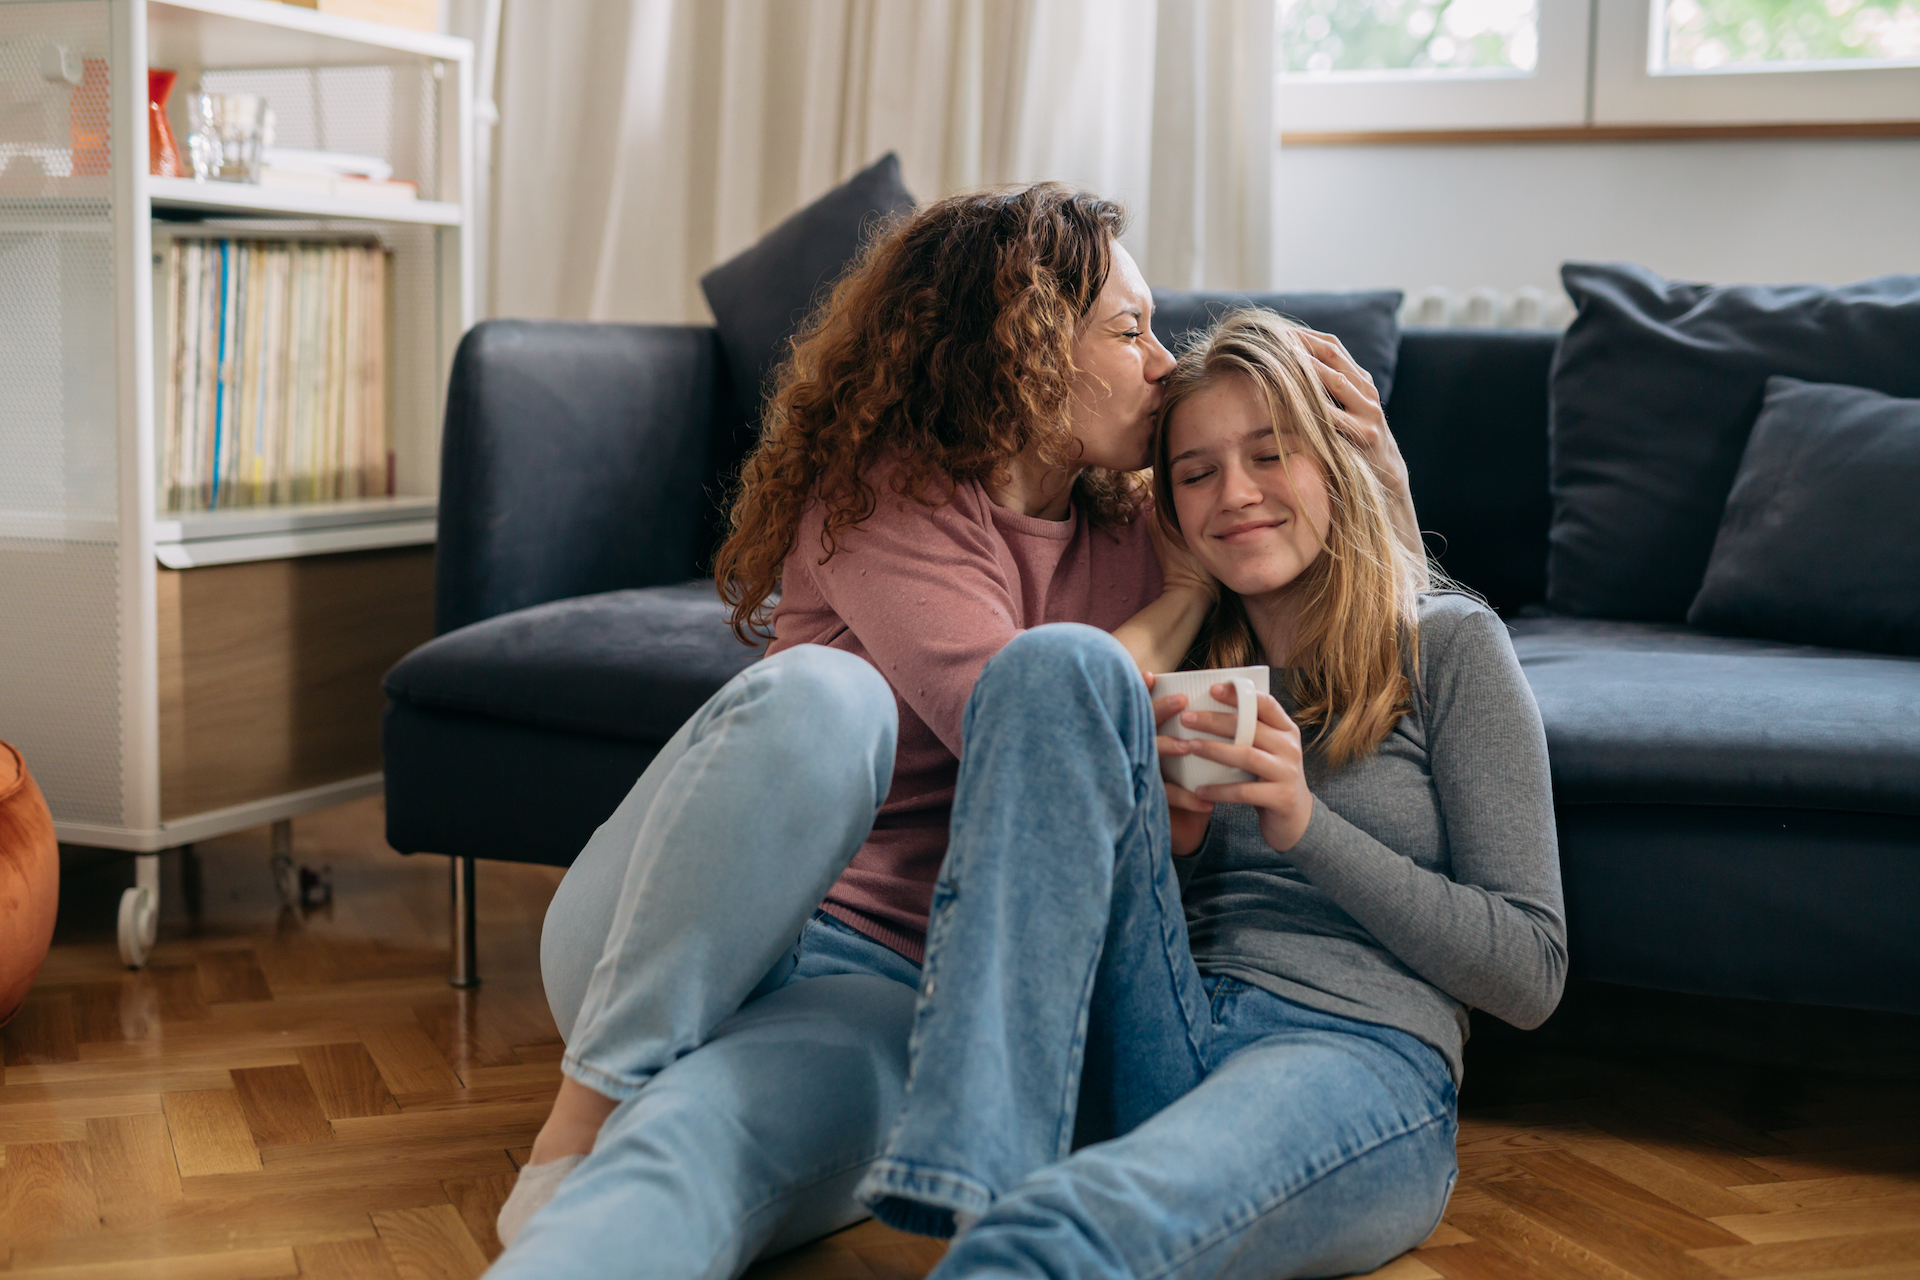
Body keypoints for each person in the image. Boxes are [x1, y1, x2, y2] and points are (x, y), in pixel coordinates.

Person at [487, 187, 1420, 1278]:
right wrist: (1171, 610)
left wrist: (1385, 481)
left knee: (698, 1138)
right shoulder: (882, 498)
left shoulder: (1147, 521)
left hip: (885, 985)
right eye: (1128, 330)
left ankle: (600, 1186)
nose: (1162, 362)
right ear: (1020, 348)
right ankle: (586, 1102)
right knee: (827, 698)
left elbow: (1339, 612)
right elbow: (1024, 721)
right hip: (683, 924)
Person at [850, 309, 1567, 1279]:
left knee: (1067, 1230)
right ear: (1173, 509)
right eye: (1196, 473)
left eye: (1271, 455)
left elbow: (1530, 971)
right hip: (1164, 1024)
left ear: (1333, 462)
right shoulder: (1186, 666)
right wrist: (1172, 842)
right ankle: (970, 1157)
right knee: (1053, 663)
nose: (1236, 494)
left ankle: (1009, 1216)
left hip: (1350, 1052)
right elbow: (1075, 847)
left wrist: (1307, 826)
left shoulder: (1450, 646)